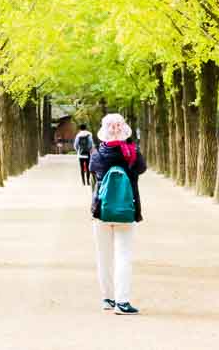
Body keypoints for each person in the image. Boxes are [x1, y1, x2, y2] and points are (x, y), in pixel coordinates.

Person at [88, 113, 146, 315]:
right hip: (126, 210)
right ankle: (122, 301)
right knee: (123, 255)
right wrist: (129, 146)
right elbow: (142, 168)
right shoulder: (132, 153)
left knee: (103, 255)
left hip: (101, 210)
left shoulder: (97, 154)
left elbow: (94, 173)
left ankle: (108, 298)